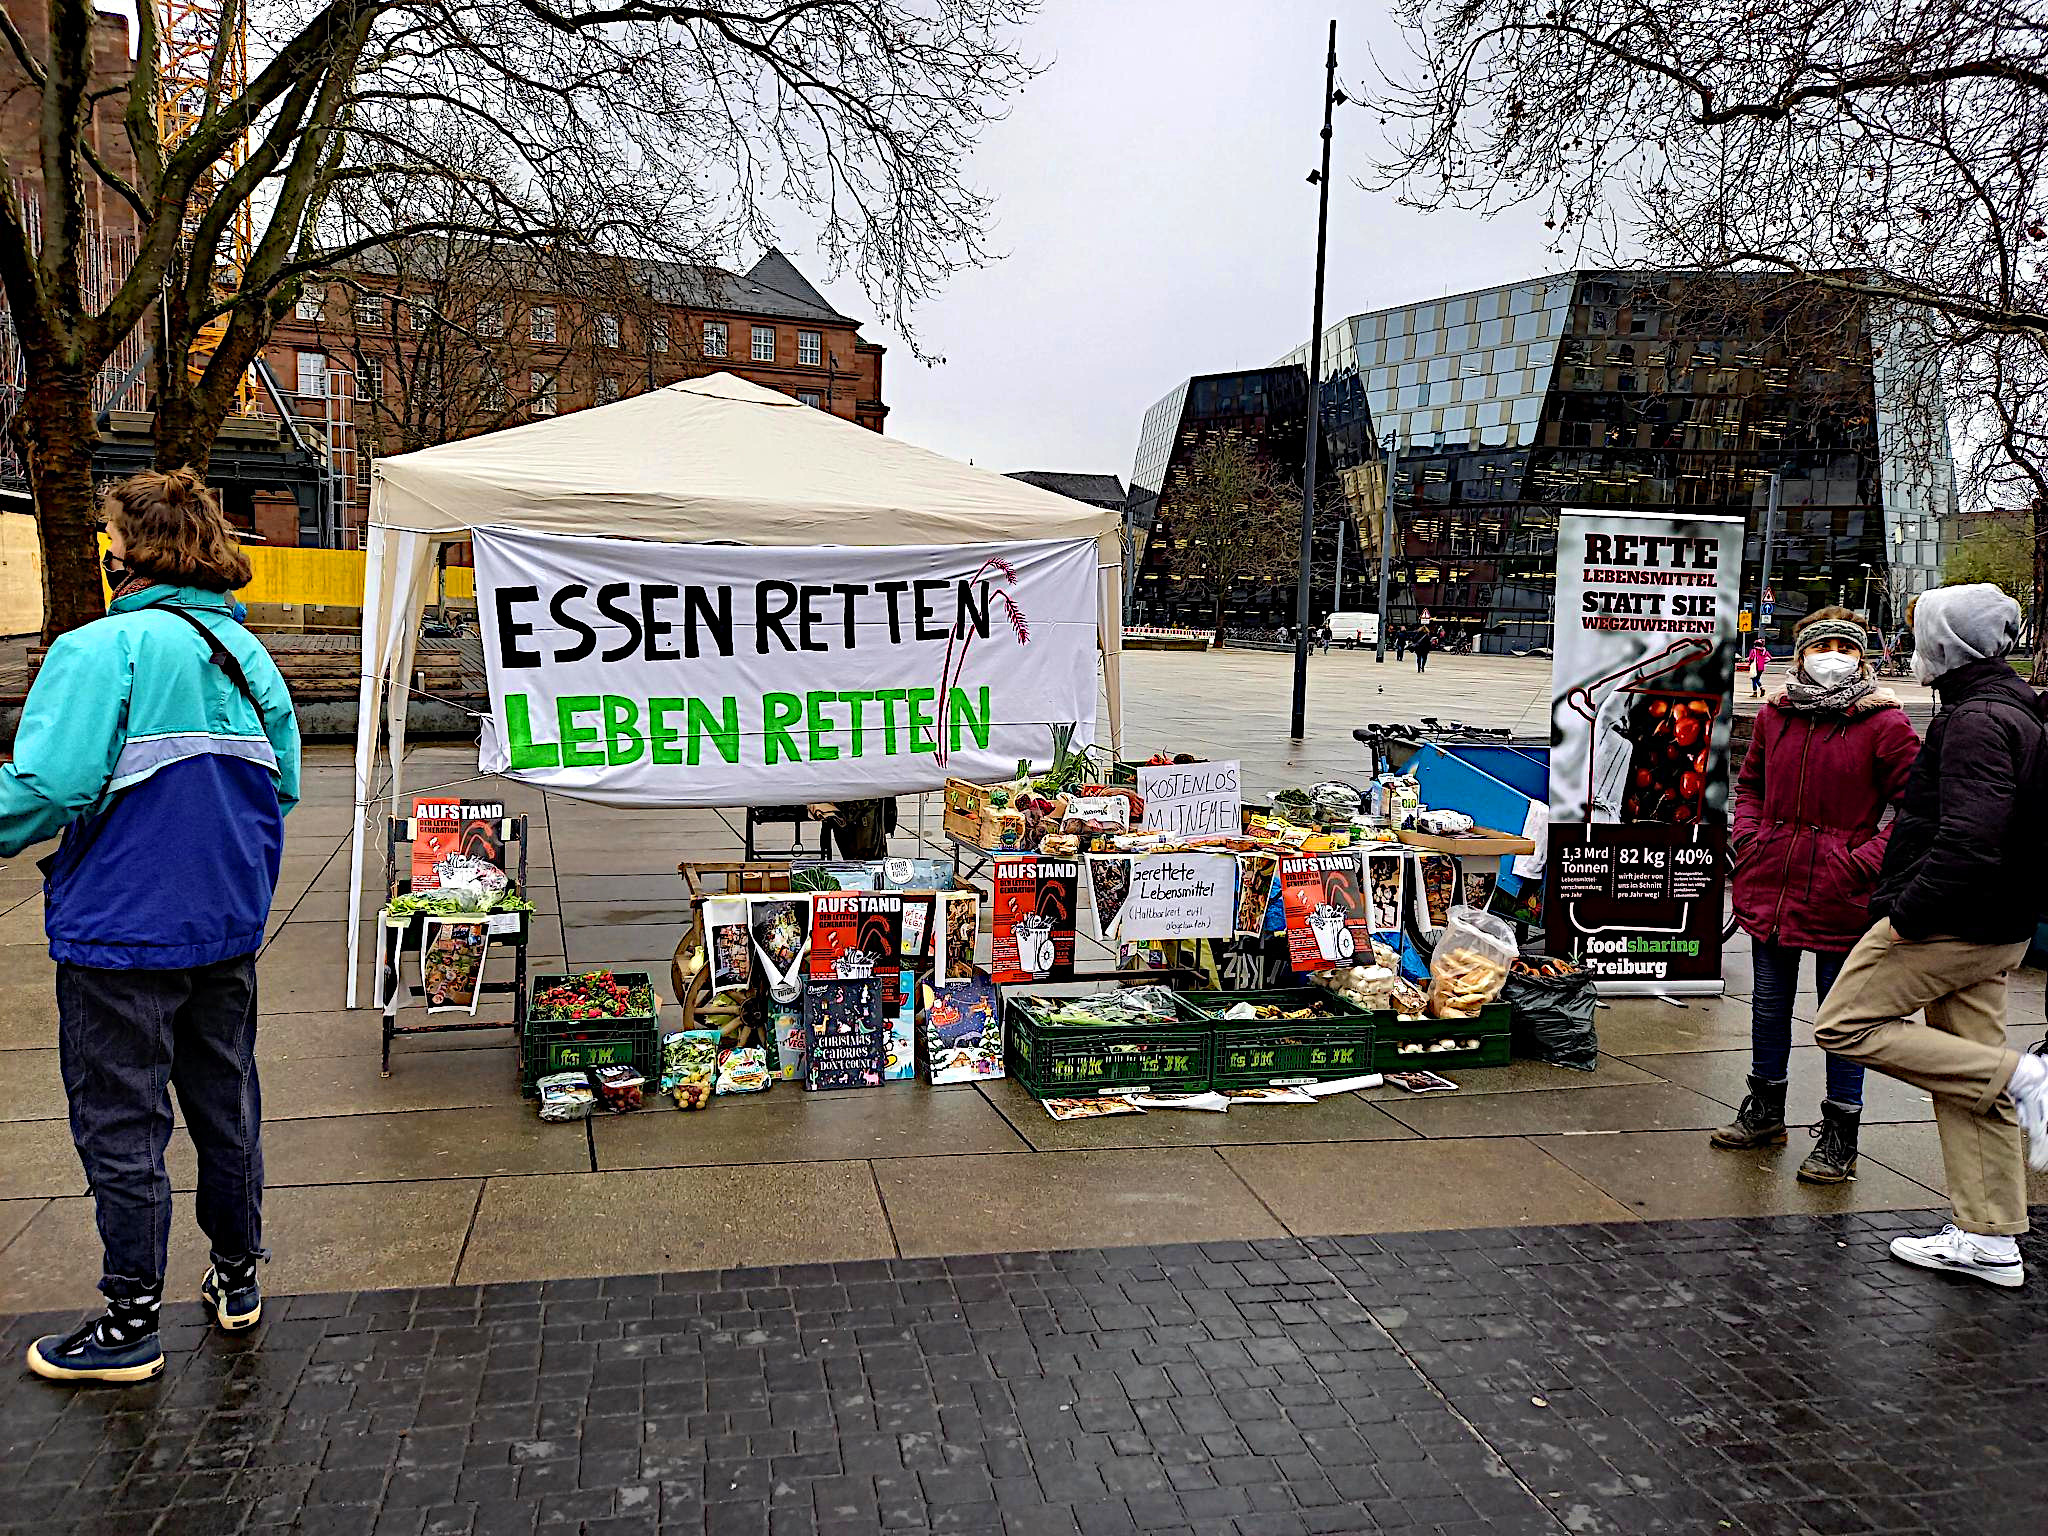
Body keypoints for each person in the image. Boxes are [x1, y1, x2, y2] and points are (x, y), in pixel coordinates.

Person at [9, 470, 299, 1383]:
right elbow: (281, 785)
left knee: (121, 1122)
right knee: (226, 1104)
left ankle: (129, 1323)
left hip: (121, 931)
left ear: (126, 552)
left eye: (107, 536)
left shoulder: (101, 649)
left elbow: (48, 785)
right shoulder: (246, 656)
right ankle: (237, 1280)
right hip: (225, 924)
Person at [1813, 583, 2048, 1287]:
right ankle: (1991, 1237)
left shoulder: (1975, 718)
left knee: (1844, 1024)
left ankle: (2028, 1076)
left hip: (1951, 920)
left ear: (1949, 643)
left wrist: (1906, 914)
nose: (1915, 648)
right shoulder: (2013, 707)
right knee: (1963, 1069)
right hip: (1996, 920)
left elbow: (1969, 837)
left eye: (1926, 634)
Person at [1714, 608, 1919, 1182]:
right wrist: (1749, 838)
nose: (1833, 656)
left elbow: (1915, 811)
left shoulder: (1885, 724)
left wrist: (1862, 863)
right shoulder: (1778, 716)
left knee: (1842, 1017)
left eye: (1844, 646)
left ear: (1863, 656)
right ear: (1799, 654)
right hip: (1772, 881)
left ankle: (1840, 1133)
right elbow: (1749, 785)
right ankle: (1764, 1109)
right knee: (1770, 1006)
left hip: (1840, 891)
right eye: (1821, 645)